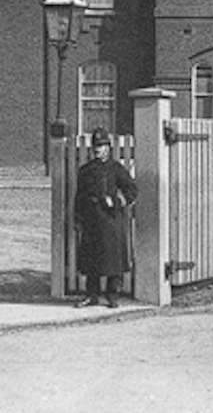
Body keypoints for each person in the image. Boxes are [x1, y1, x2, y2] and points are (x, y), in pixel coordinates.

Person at [73, 127, 139, 308]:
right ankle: (91, 295)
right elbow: (79, 196)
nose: (97, 149)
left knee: (112, 261)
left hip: (110, 220)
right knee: (91, 260)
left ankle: (112, 295)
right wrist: (78, 218)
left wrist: (116, 201)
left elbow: (132, 190)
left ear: (108, 148)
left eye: (101, 145)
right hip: (91, 221)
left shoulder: (116, 168)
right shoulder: (85, 170)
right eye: (95, 145)